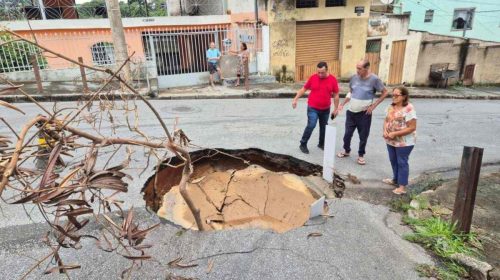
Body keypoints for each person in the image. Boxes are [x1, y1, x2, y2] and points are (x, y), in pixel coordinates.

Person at [336, 59, 388, 165]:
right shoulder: (354, 78)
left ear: (367, 68)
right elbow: (351, 92)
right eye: (357, 68)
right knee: (347, 134)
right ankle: (346, 151)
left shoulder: (374, 79)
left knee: (363, 136)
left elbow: (385, 92)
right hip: (351, 112)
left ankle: (361, 155)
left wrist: (374, 105)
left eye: (359, 69)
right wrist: (342, 104)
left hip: (364, 114)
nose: (357, 71)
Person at [292, 61, 340, 154]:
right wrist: (295, 99)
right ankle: (303, 143)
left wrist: (336, 109)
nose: (320, 74)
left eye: (322, 72)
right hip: (313, 107)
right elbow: (304, 89)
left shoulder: (333, 80)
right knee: (311, 125)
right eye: (318, 72)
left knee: (324, 127)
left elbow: (336, 95)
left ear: (327, 70)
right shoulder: (313, 77)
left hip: (326, 109)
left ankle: (321, 144)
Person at [382, 87, 417, 195]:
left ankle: (402, 187)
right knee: (393, 160)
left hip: (404, 142)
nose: (394, 97)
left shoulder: (409, 108)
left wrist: (395, 134)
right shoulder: (391, 106)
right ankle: (395, 179)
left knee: (402, 162)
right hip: (391, 140)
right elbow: (386, 120)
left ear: (404, 96)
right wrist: (384, 131)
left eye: (397, 95)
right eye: (393, 95)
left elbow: (412, 127)